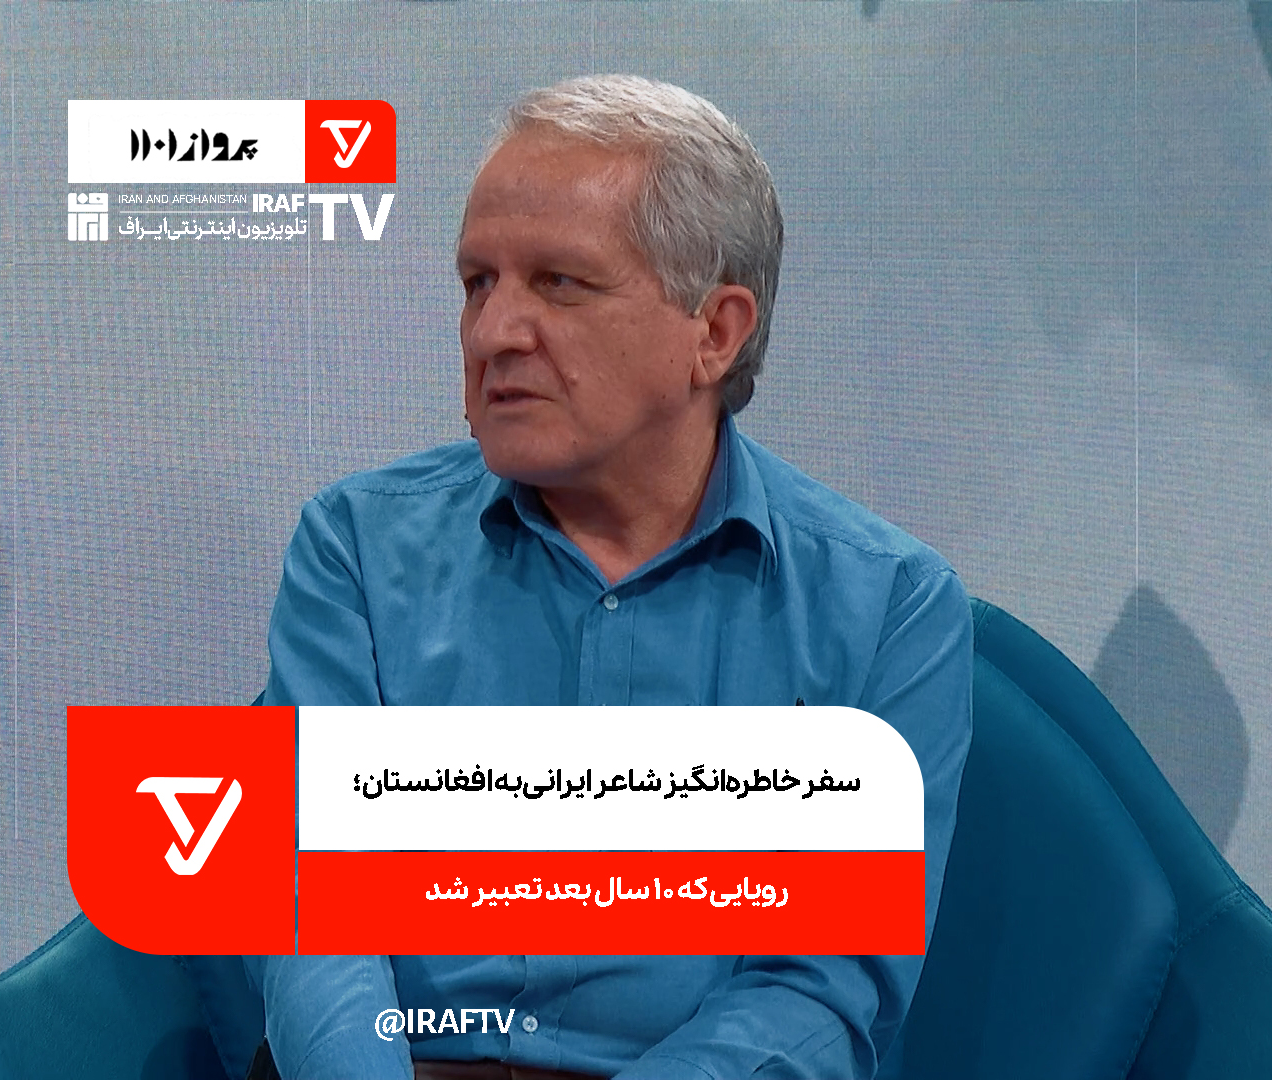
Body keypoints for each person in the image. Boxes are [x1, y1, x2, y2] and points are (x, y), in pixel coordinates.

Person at [189, 74, 973, 1080]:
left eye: (559, 283)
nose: (492, 334)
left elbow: (819, 987)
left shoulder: (890, 609)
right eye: (478, 283)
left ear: (715, 332)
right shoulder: (356, 547)